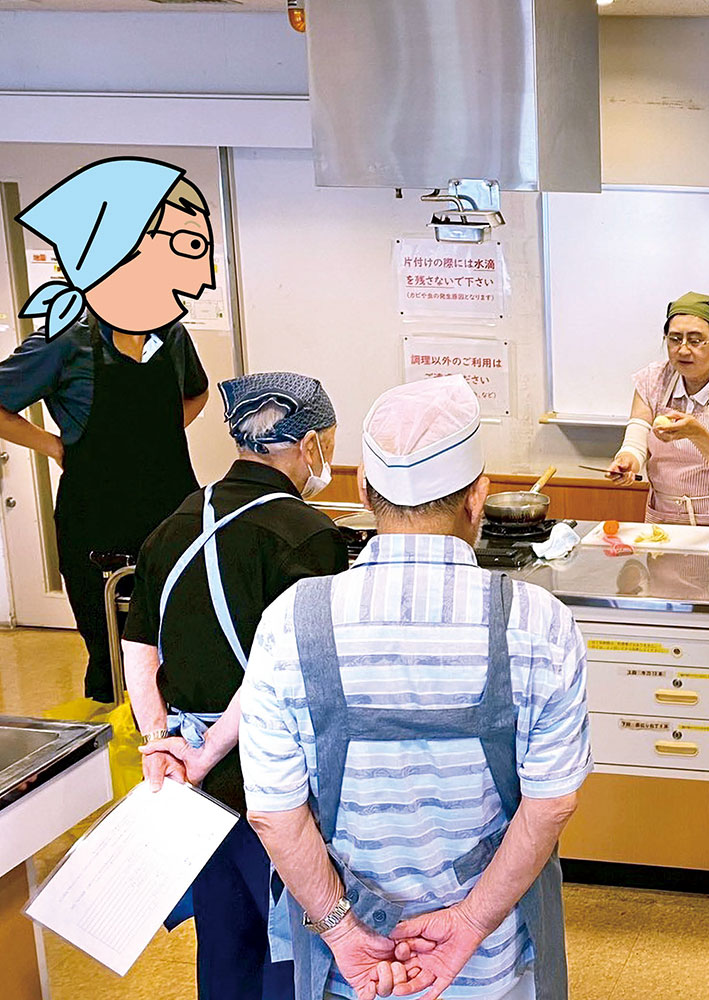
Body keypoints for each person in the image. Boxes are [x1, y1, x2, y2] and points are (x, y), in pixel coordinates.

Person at [240, 375, 590, 1000]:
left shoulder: (291, 621)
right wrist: (470, 922)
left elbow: (273, 813)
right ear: (478, 497)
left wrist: (343, 932)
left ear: (363, 491)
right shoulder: (539, 623)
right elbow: (550, 804)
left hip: (354, 969)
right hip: (490, 957)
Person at [120, 372, 347, 1000]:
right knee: (286, 946)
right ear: (309, 444)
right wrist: (212, 749)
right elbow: (280, 669)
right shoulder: (308, 535)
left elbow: (138, 646)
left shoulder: (173, 524)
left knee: (224, 942)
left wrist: (163, 742)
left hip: (196, 784)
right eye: (329, 442)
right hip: (273, 775)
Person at [0, 157, 216, 701]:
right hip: (97, 518)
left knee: (181, 645)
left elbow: (197, 392)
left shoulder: (170, 332)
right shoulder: (64, 341)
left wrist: (156, 435)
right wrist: (54, 446)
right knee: (114, 654)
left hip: (172, 509)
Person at [605, 292, 709, 526]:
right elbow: (636, 439)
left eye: (695, 340)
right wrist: (627, 461)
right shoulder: (652, 379)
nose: (682, 350)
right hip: (668, 518)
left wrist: (696, 432)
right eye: (674, 339)